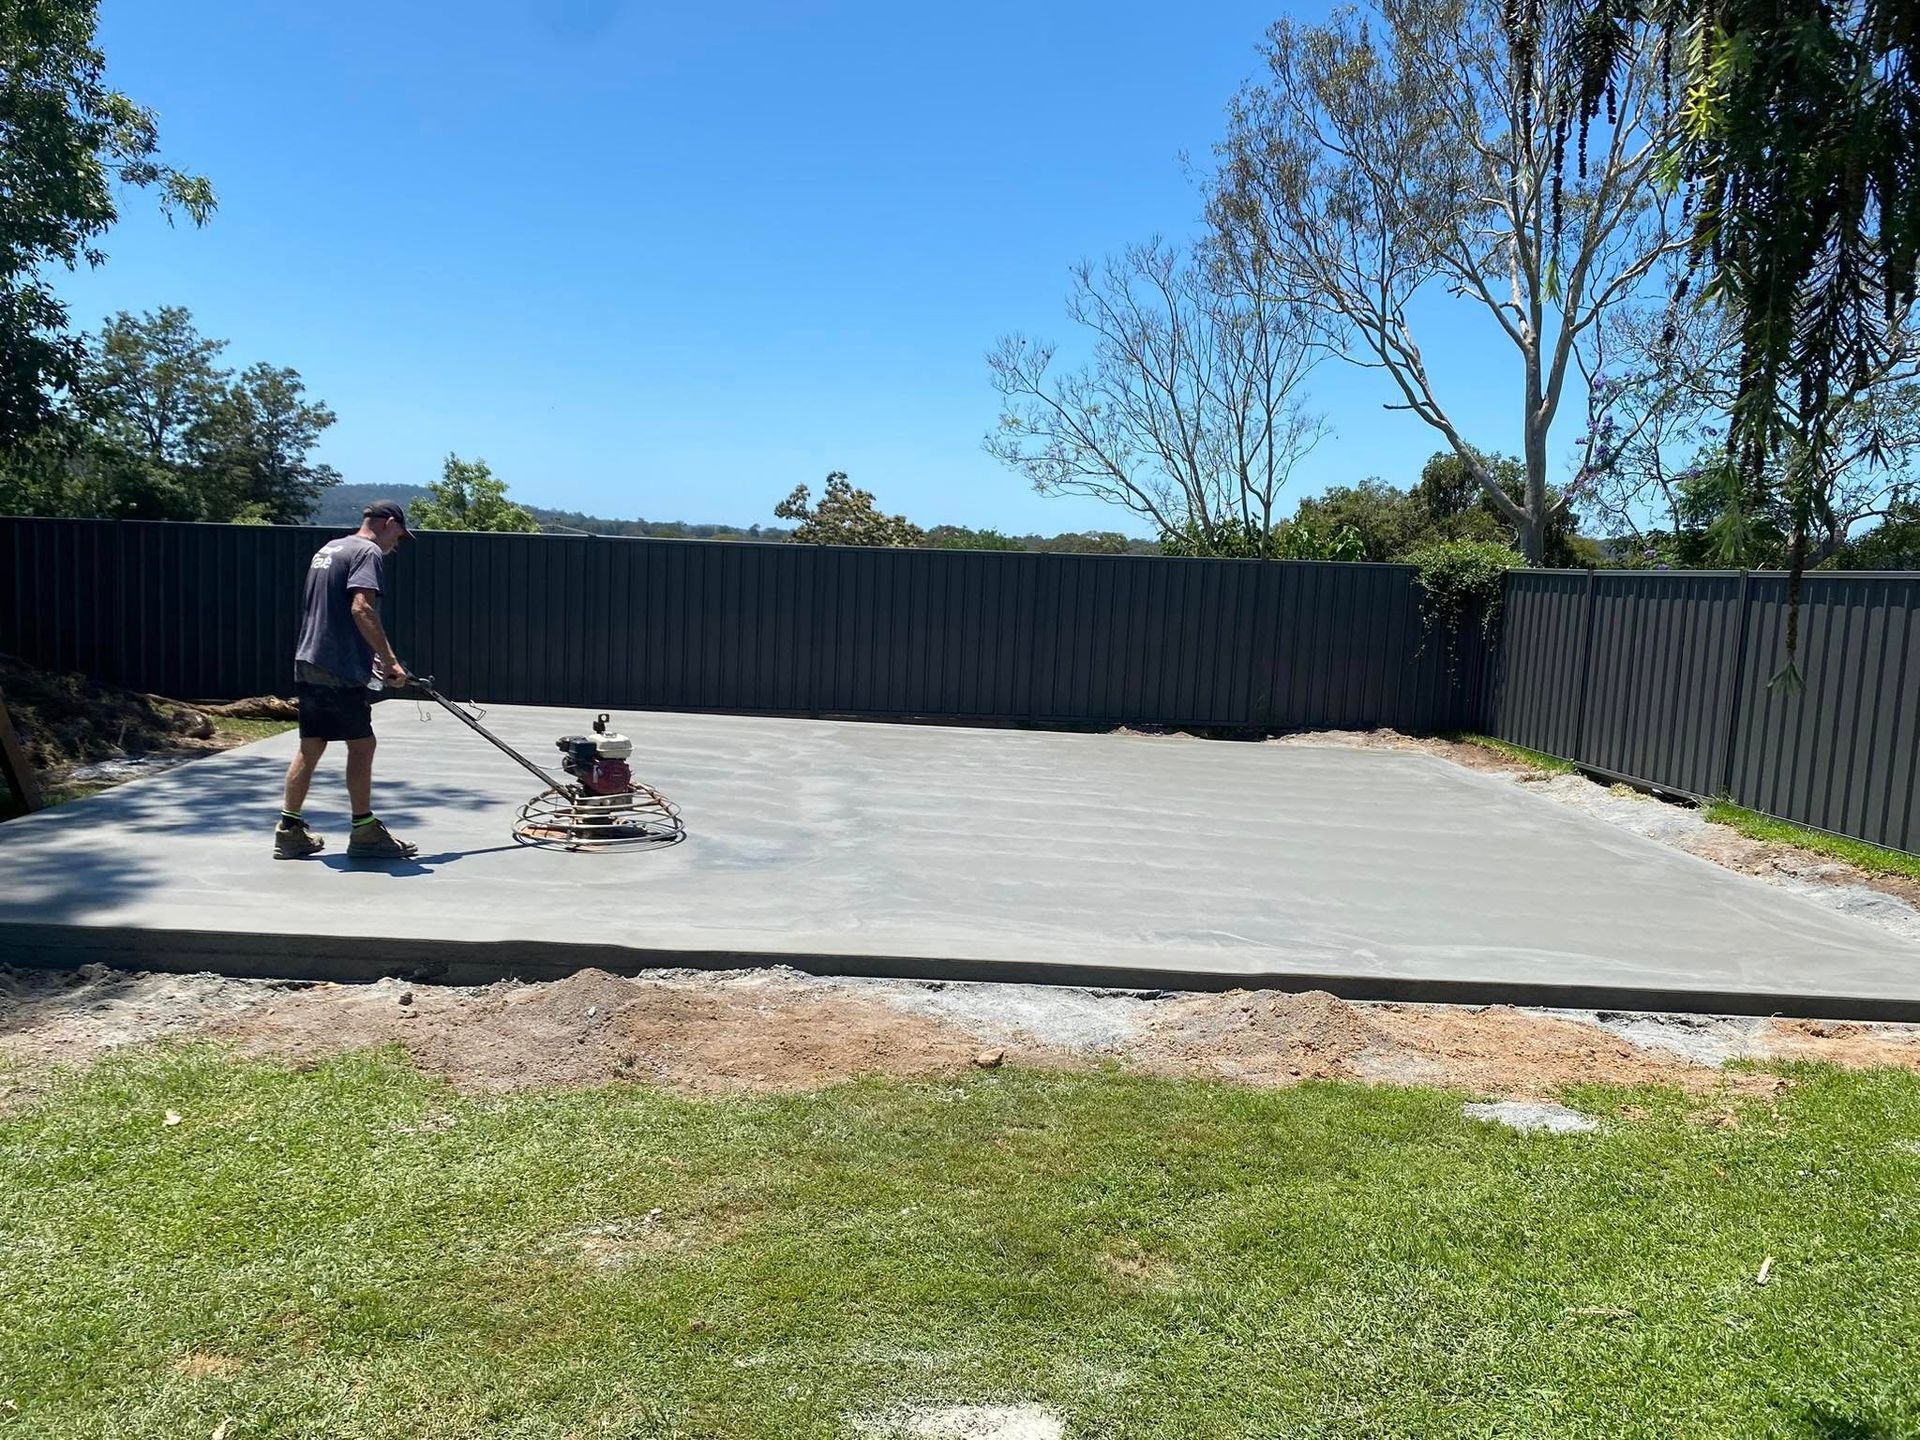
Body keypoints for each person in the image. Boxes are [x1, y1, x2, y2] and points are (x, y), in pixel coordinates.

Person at [273, 500, 421, 860]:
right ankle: (364, 831)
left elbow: (330, 611)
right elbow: (361, 608)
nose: (396, 545)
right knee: (362, 745)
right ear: (388, 523)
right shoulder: (367, 551)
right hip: (337, 667)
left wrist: (368, 658)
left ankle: (289, 830)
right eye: (398, 536)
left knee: (311, 746)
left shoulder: (329, 549)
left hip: (309, 659)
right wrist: (390, 662)